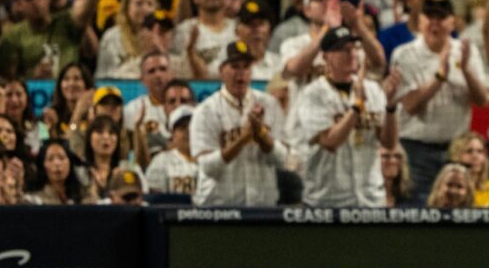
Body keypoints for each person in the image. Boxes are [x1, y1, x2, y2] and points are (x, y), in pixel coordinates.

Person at [389, 0, 489, 206]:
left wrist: (465, 70)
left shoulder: (466, 51)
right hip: (416, 148)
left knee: (459, 210)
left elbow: (483, 101)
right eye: (430, 16)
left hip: (455, 148)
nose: (435, 23)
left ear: (452, 21)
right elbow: (410, 106)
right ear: (420, 20)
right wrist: (439, 77)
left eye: (441, 17)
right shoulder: (405, 54)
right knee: (418, 208)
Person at [285, 26, 400, 207]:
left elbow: (389, 143)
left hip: (370, 198)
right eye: (342, 49)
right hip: (328, 199)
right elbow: (330, 141)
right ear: (326, 56)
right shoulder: (313, 94)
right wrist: (357, 107)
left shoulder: (373, 90)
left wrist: (391, 105)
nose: (351, 53)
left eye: (354, 48)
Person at [190, 40, 288, 206]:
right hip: (218, 207)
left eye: (246, 67)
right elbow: (207, 168)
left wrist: (261, 134)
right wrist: (242, 140)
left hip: (262, 205)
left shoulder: (270, 104)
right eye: (235, 66)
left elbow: (281, 160)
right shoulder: (205, 111)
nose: (241, 73)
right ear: (221, 70)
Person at [144, 105, 198, 196]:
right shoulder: (161, 161)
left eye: (192, 126)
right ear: (172, 133)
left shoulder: (210, 158)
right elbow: (156, 199)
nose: (188, 131)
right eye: (182, 128)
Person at [26, 139, 93, 205]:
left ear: (70, 162)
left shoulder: (83, 193)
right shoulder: (34, 198)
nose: (57, 163)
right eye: (50, 159)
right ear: (42, 165)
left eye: (61, 158)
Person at [449, 132, 489, 208]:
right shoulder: (449, 190)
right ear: (456, 156)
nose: (475, 156)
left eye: (480, 151)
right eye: (469, 151)